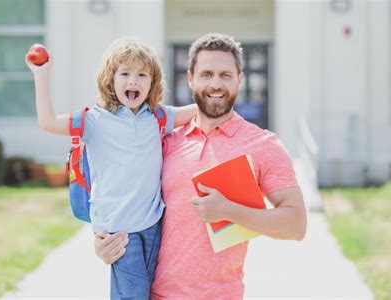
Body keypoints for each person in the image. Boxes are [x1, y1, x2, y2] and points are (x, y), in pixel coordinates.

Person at [94, 33, 307, 299]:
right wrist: (106, 243)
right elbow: (123, 195)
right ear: (190, 78)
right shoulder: (165, 142)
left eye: (225, 75)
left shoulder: (263, 144)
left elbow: (296, 225)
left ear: (240, 79)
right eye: (206, 74)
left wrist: (229, 210)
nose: (216, 84)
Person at [26, 37, 196, 299]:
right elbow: (47, 122)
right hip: (117, 228)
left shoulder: (159, 117)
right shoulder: (93, 120)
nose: (133, 81)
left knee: (149, 290)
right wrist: (41, 75)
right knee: (134, 294)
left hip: (152, 223)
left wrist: (220, 97)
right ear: (110, 79)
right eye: (125, 73)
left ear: (153, 82)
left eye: (142, 74)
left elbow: (199, 111)